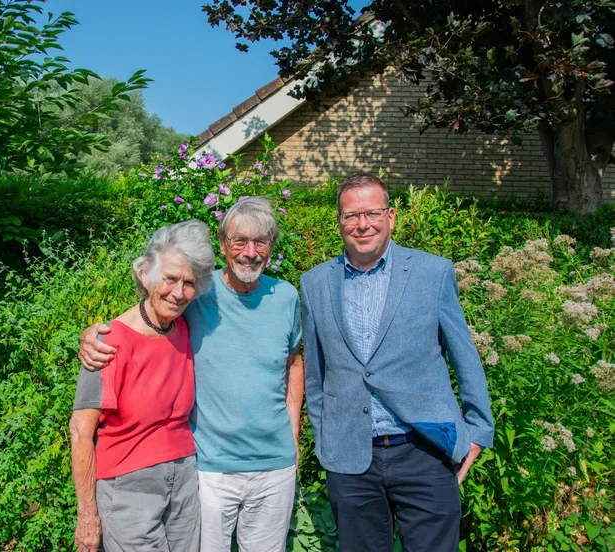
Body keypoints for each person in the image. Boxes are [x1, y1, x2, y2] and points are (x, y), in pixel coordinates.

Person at [79, 197, 303, 552]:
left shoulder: (285, 296)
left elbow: (294, 359)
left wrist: (292, 427)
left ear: (272, 246)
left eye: (261, 241)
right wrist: (95, 333)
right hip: (210, 466)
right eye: (239, 241)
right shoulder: (200, 291)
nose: (250, 251)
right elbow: (149, 311)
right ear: (223, 243)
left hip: (269, 466)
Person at [299, 173, 495, 551]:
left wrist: (478, 429)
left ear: (390, 216)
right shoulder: (315, 282)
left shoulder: (432, 272)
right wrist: (325, 441)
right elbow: (316, 375)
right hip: (351, 456)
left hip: (425, 450)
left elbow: (464, 355)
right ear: (339, 222)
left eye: (372, 213)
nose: (362, 224)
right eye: (351, 216)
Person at [69, 220, 216, 552]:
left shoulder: (183, 327)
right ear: (146, 274)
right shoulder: (108, 342)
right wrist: (87, 516)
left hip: (184, 481)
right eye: (170, 279)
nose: (178, 293)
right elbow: (81, 430)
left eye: (189, 283)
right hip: (128, 488)